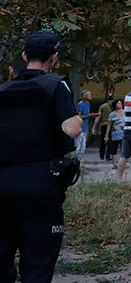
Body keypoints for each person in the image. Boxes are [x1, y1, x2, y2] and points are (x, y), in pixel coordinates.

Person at [0, 29, 83, 283]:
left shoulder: (3, 89)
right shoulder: (56, 86)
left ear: (25, 56)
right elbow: (72, 128)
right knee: (37, 263)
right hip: (40, 184)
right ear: (54, 59)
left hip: (2, 182)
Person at [91, 94, 114, 162]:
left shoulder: (103, 106)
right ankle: (107, 155)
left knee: (103, 140)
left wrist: (94, 126)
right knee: (111, 141)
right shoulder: (114, 106)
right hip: (111, 125)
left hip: (104, 125)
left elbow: (98, 116)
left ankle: (101, 155)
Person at [74, 89, 92, 156]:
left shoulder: (88, 104)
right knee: (78, 144)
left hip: (85, 126)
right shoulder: (81, 104)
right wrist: (89, 115)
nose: (90, 96)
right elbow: (79, 116)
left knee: (83, 145)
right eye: (88, 94)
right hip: (80, 126)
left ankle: (80, 161)